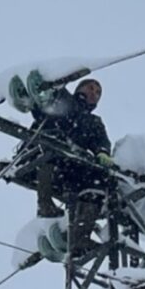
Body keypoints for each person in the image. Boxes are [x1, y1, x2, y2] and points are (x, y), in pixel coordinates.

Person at [28, 78, 114, 257]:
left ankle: (79, 234)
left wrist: (102, 152)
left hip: (70, 168)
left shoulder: (94, 122)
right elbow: (39, 108)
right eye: (91, 88)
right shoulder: (64, 100)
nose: (94, 94)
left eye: (98, 93)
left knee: (100, 180)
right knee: (51, 150)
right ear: (80, 89)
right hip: (46, 153)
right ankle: (44, 203)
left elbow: (101, 141)